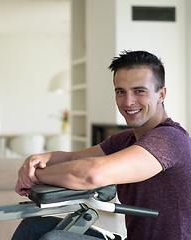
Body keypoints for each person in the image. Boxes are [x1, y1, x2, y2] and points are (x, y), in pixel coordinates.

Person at [12, 50, 191, 240]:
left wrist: (36, 176)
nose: (128, 101)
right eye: (120, 91)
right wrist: (36, 160)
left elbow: (92, 174)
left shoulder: (170, 139)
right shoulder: (125, 140)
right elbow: (71, 158)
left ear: (161, 94)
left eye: (139, 91)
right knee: (33, 227)